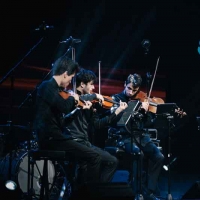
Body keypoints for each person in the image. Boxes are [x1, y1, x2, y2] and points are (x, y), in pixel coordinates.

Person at [34, 56, 107, 190]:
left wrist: (77, 109)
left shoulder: (54, 90)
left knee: (87, 158)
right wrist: (74, 99)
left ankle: (77, 191)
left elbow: (61, 120)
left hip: (57, 137)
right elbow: (64, 106)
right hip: (51, 139)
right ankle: (90, 195)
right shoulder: (47, 87)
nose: (70, 82)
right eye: (71, 78)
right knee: (95, 156)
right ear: (65, 74)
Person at [63, 68, 128, 184]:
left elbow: (97, 124)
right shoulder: (70, 97)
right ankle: (91, 191)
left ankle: (98, 191)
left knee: (112, 161)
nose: (93, 88)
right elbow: (76, 100)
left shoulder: (91, 103)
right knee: (95, 160)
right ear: (82, 84)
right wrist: (94, 96)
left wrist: (116, 112)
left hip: (84, 142)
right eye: (92, 85)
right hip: (73, 142)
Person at [110, 73, 164, 200]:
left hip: (141, 135)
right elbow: (114, 121)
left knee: (159, 157)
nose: (131, 92)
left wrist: (145, 113)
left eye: (135, 90)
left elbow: (148, 123)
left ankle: (149, 191)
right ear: (125, 84)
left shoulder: (143, 100)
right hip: (124, 136)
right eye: (129, 88)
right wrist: (126, 110)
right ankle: (137, 192)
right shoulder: (117, 98)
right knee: (138, 154)